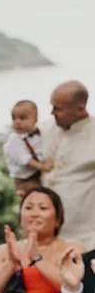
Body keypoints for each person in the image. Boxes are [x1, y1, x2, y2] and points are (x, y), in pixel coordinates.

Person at [43, 80, 95, 249]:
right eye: (52, 106)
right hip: (45, 234)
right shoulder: (45, 129)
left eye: (58, 108)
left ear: (80, 109)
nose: (52, 113)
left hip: (86, 236)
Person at [3, 99, 54, 196]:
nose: (17, 122)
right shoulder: (14, 140)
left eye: (22, 118)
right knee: (36, 195)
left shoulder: (40, 133)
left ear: (35, 120)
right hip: (24, 178)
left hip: (36, 173)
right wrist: (43, 167)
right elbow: (26, 161)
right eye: (14, 118)